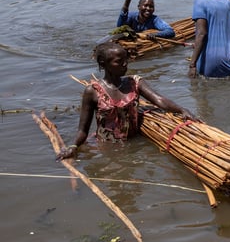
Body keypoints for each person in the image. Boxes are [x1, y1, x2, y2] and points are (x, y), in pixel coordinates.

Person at [58, 41, 195, 160]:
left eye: (126, 60)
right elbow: (83, 130)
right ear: (103, 64)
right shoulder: (92, 91)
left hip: (132, 142)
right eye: (118, 61)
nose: (125, 64)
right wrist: (73, 146)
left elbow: (159, 100)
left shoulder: (135, 83)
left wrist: (182, 109)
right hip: (106, 146)